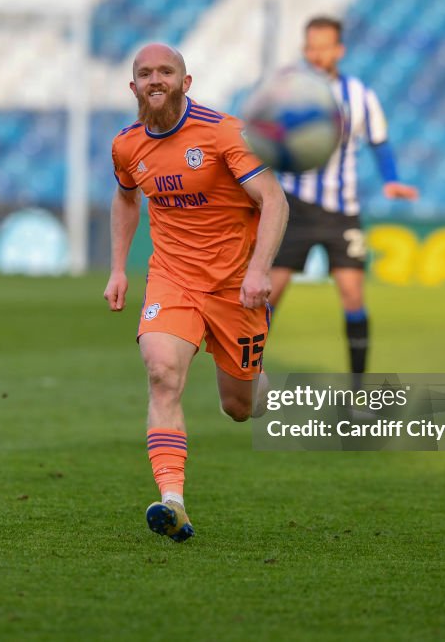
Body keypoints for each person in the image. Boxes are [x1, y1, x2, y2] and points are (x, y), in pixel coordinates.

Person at [104, 43, 288, 543]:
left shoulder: (223, 132)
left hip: (235, 286)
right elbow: (125, 198)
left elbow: (273, 199)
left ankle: (265, 385)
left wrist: (258, 270)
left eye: (166, 71)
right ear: (133, 86)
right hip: (173, 277)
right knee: (162, 371)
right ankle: (172, 501)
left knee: (240, 406)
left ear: (187, 82)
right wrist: (118, 268)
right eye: (145, 73)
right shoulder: (126, 145)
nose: (154, 79)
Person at [269, 16, 417, 386]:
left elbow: (379, 142)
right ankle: (245, 376)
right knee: (269, 293)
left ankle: (357, 388)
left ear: (339, 50)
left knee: (353, 295)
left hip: (342, 210)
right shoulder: (287, 91)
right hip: (295, 207)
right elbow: (263, 135)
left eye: (324, 46)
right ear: (305, 50)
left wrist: (392, 179)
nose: (317, 54)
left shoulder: (360, 95)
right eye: (311, 46)